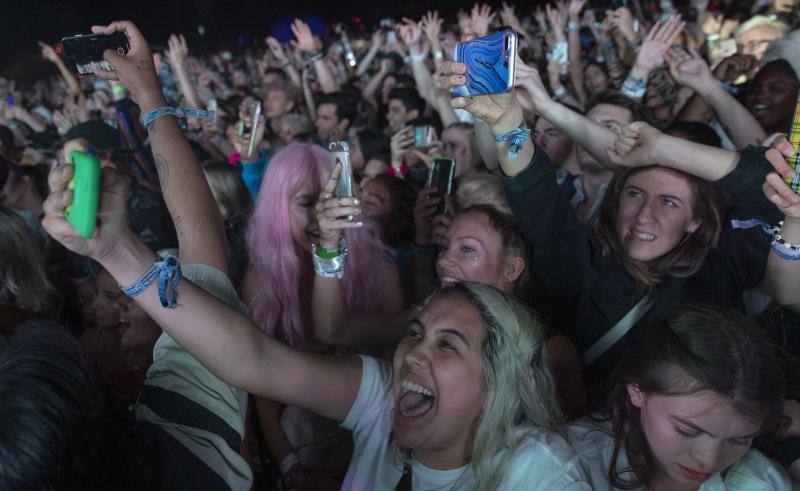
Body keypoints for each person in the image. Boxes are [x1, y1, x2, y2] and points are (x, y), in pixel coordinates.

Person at [437, 57, 794, 408]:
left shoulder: (719, 271)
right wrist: (508, 122)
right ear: (615, 200)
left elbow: (777, 186)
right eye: (634, 194)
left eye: (668, 203)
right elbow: (537, 194)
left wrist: (662, 148)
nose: (644, 216)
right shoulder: (587, 264)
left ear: (695, 221)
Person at [243, 142, 403, 486]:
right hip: (302, 445)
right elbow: (260, 378)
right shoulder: (261, 281)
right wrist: (286, 462)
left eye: (329, 201)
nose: (322, 215)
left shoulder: (380, 272)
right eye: (307, 203)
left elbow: (397, 371)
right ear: (276, 209)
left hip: (373, 438)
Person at [566, 305, 793, 490]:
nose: (710, 460)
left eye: (739, 440)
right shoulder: (563, 466)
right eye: (687, 430)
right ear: (637, 391)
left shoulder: (761, 483)